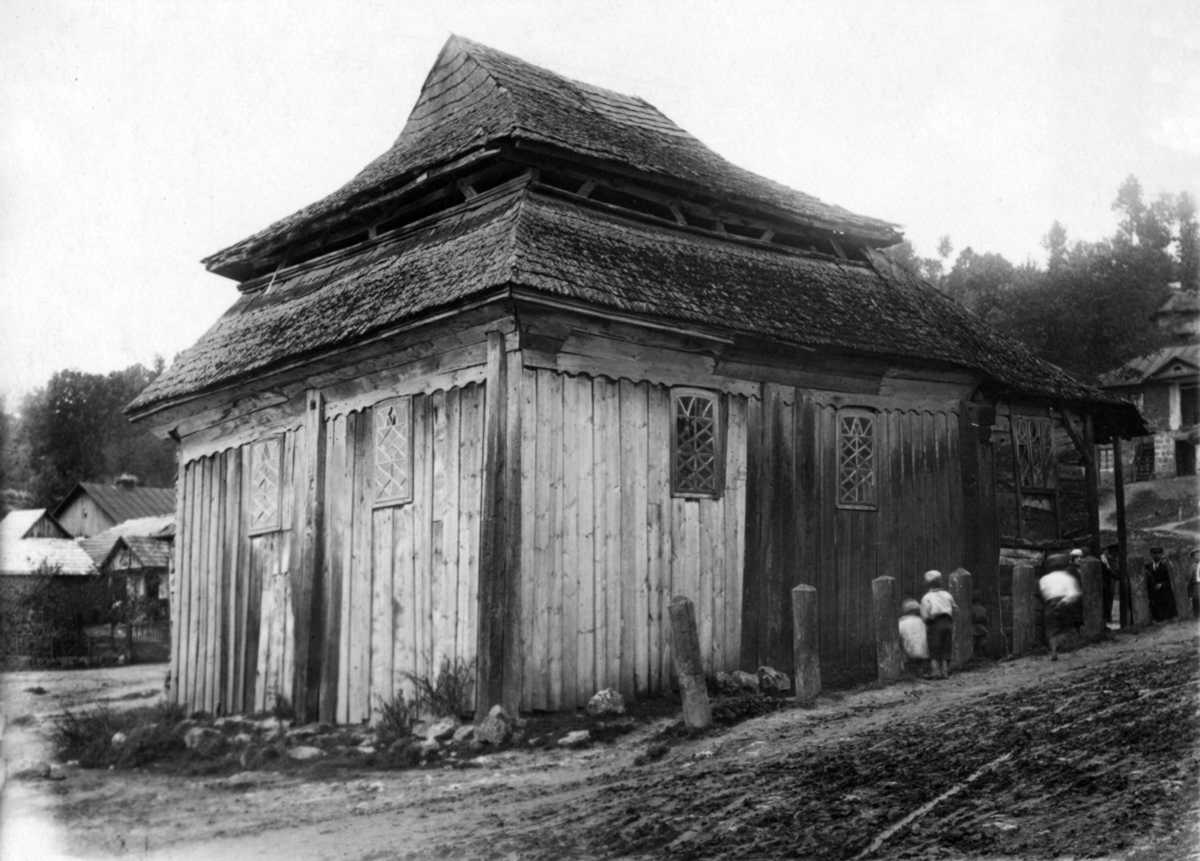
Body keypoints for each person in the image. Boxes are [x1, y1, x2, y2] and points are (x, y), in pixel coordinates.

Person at [1038, 552, 1081, 661]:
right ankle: (1072, 649)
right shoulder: (1068, 578)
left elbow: (1043, 593)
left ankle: (1054, 650)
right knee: (1068, 627)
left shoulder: (1044, 579)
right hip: (1065, 603)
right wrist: (1065, 601)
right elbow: (1074, 593)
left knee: (1051, 629)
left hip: (1050, 604)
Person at [920, 570, 957, 679]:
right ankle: (945, 671)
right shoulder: (947, 594)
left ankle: (935, 671)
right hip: (948, 622)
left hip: (935, 623)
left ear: (928, 584)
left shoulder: (927, 597)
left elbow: (925, 614)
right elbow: (955, 607)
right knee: (946, 646)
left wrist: (926, 621)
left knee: (934, 647)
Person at [898, 599, 929, 678]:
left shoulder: (901, 622)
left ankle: (908, 672)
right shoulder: (922, 621)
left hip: (908, 653)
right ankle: (921, 671)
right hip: (924, 653)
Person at [1145, 547, 1177, 622]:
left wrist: (1162, 584)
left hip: (1165, 593)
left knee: (1166, 613)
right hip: (1153, 594)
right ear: (1151, 555)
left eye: (1158, 553)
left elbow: (1171, 580)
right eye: (1154, 553)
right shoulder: (1147, 566)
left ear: (1161, 554)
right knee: (1155, 611)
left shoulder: (1166, 566)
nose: (1156, 555)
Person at [1099, 543, 1120, 625]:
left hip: (1111, 581)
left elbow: (1115, 570)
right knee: (1106, 599)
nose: (1116, 554)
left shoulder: (1113, 560)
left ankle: (1108, 616)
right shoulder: (1105, 559)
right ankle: (1106, 617)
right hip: (1106, 581)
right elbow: (1110, 571)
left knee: (1110, 598)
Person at [1189, 549, 1200, 619]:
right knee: (1196, 600)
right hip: (1195, 585)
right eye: (1195, 556)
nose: (1198, 556)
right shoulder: (1192, 566)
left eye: (1199, 554)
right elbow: (1190, 578)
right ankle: (1197, 615)